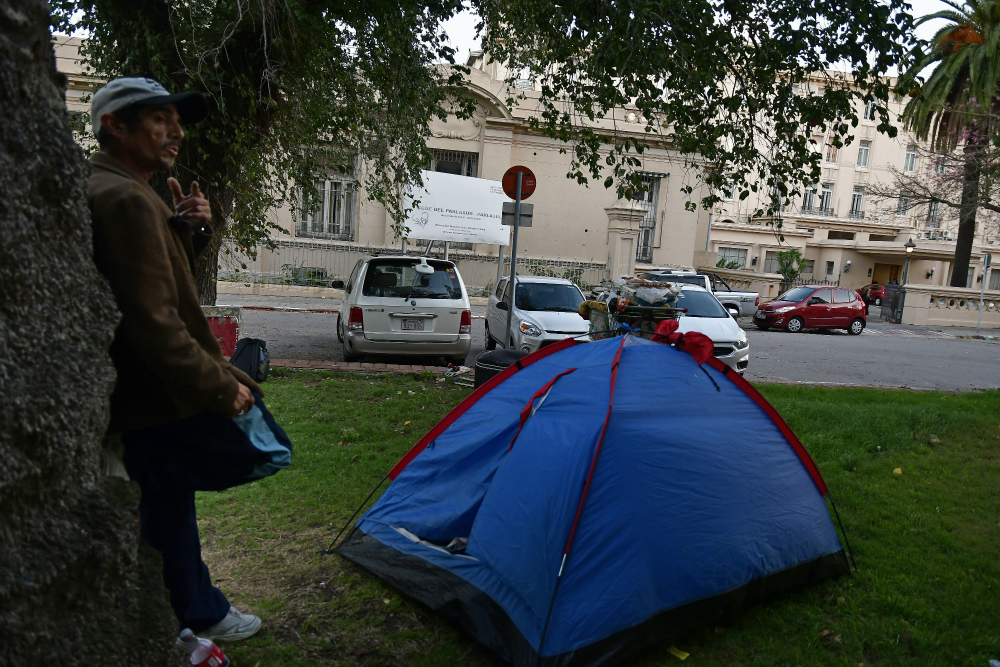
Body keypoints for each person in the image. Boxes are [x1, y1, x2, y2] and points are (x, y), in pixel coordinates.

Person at [87, 77, 262, 642]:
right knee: (168, 511)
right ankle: (196, 614)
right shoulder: (126, 199)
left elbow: (159, 278)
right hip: (152, 395)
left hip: (142, 393)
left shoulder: (130, 190)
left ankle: (190, 608)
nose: (176, 132)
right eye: (159, 119)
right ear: (115, 126)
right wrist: (218, 385)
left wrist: (192, 229)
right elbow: (154, 320)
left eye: (176, 120)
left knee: (166, 509)